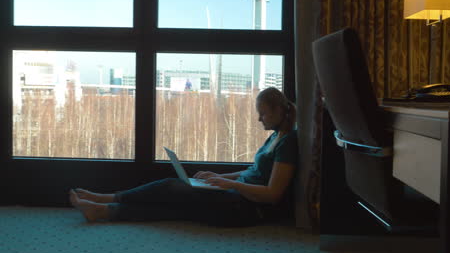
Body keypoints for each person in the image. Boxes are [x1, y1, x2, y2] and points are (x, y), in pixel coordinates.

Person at [69, 87, 298, 227]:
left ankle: (105, 200)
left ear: (279, 111)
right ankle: (102, 209)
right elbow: (253, 172)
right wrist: (217, 176)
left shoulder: (288, 143)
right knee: (174, 208)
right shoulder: (275, 137)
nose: (260, 119)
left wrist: (227, 183)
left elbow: (272, 194)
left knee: (172, 188)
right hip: (236, 196)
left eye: (263, 113)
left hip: (247, 209)